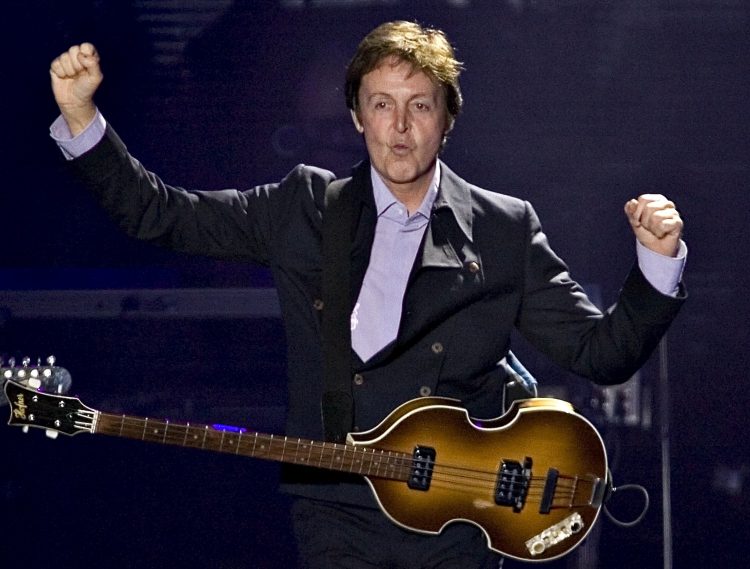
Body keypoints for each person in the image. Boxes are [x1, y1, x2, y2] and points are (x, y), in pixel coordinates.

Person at [49, 21, 685, 569]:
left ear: (449, 117)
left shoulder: (503, 228)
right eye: (382, 105)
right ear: (356, 115)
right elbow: (160, 215)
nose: (400, 128)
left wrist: (657, 266)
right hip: (336, 512)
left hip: (457, 521)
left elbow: (603, 353)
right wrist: (82, 120)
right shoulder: (305, 208)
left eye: (420, 105)